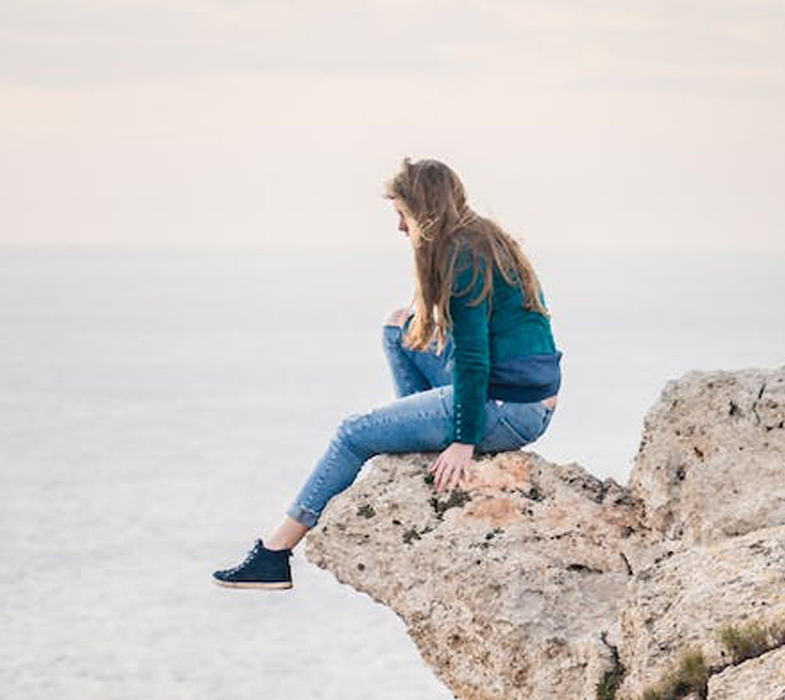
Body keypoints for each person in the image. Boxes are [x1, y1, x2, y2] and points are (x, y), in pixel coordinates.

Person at [211, 158, 562, 590]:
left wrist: (463, 441)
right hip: (522, 398)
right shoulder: (483, 237)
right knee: (399, 326)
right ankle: (411, 439)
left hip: (507, 407)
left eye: (403, 214)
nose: (399, 227)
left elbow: (474, 358)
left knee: (352, 434)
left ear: (425, 211)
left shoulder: (463, 256)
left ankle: (275, 554)